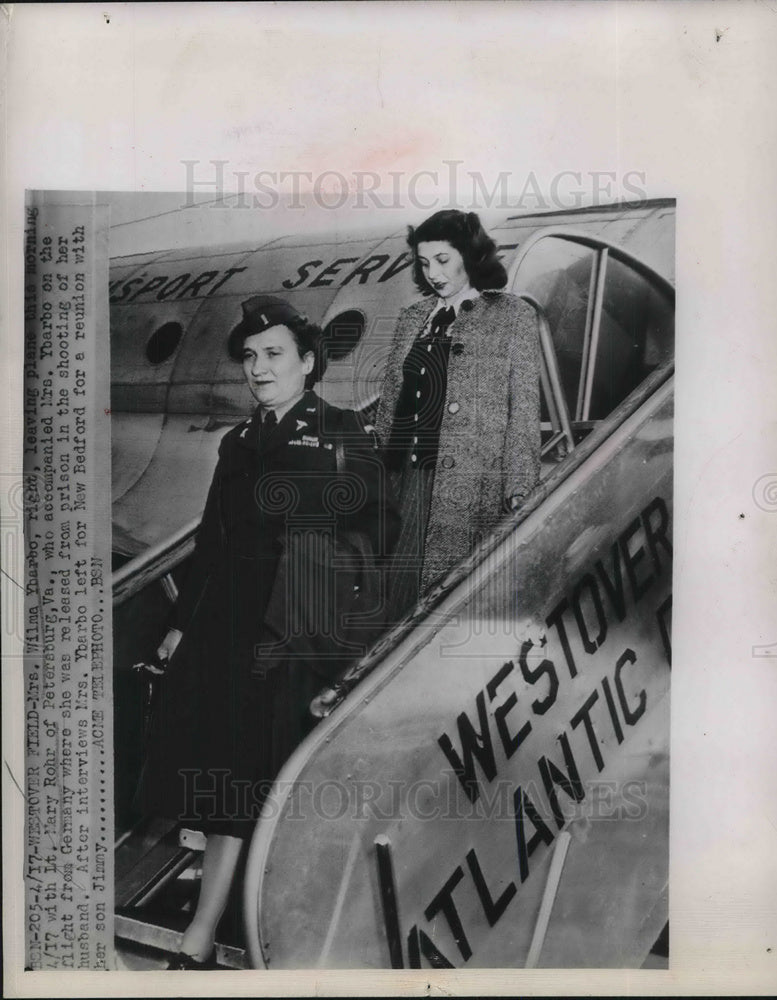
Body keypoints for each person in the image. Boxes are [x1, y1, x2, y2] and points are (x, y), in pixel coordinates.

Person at [138, 295, 398, 969]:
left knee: (279, 785)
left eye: (274, 354)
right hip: (229, 633)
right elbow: (214, 543)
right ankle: (203, 935)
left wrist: (344, 638)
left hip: (298, 635)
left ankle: (259, 937)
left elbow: (380, 535)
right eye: (250, 357)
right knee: (229, 779)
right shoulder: (240, 441)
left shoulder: (341, 433)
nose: (259, 368)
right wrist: (177, 628)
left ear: (308, 362)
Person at [374, 209, 542, 618]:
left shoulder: (511, 315)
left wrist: (520, 486)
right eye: (424, 262)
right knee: (392, 600)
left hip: (465, 485)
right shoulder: (413, 318)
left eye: (443, 260)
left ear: (469, 255)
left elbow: (523, 409)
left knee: (444, 604)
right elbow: (391, 402)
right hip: (403, 480)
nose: (433, 272)